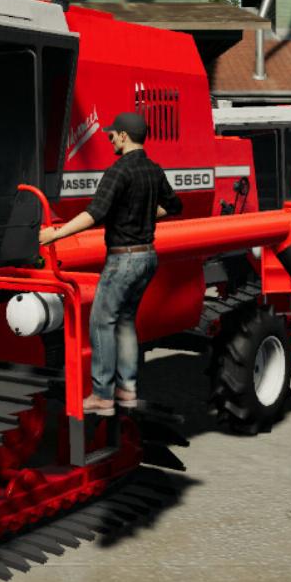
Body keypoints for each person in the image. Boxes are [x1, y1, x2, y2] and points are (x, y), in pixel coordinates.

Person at [39, 112, 182, 415]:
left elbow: (95, 213)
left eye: (112, 134)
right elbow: (174, 205)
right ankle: (127, 391)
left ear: (124, 136)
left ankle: (102, 396)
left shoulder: (118, 171)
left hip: (123, 259)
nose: (109, 138)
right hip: (147, 257)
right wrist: (142, 217)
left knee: (101, 322)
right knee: (126, 322)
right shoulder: (154, 169)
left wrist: (55, 234)